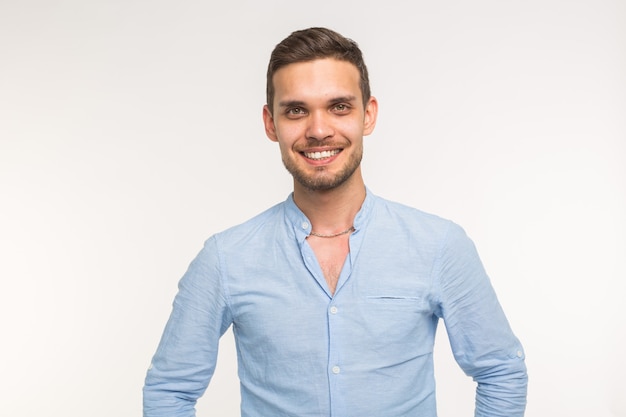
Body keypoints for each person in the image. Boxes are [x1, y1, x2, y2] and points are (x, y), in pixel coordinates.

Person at [143, 27, 528, 417]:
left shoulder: (439, 245)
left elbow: (501, 371)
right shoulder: (225, 259)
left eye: (339, 107)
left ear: (368, 114)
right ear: (270, 123)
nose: (319, 130)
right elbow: (169, 391)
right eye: (296, 110)